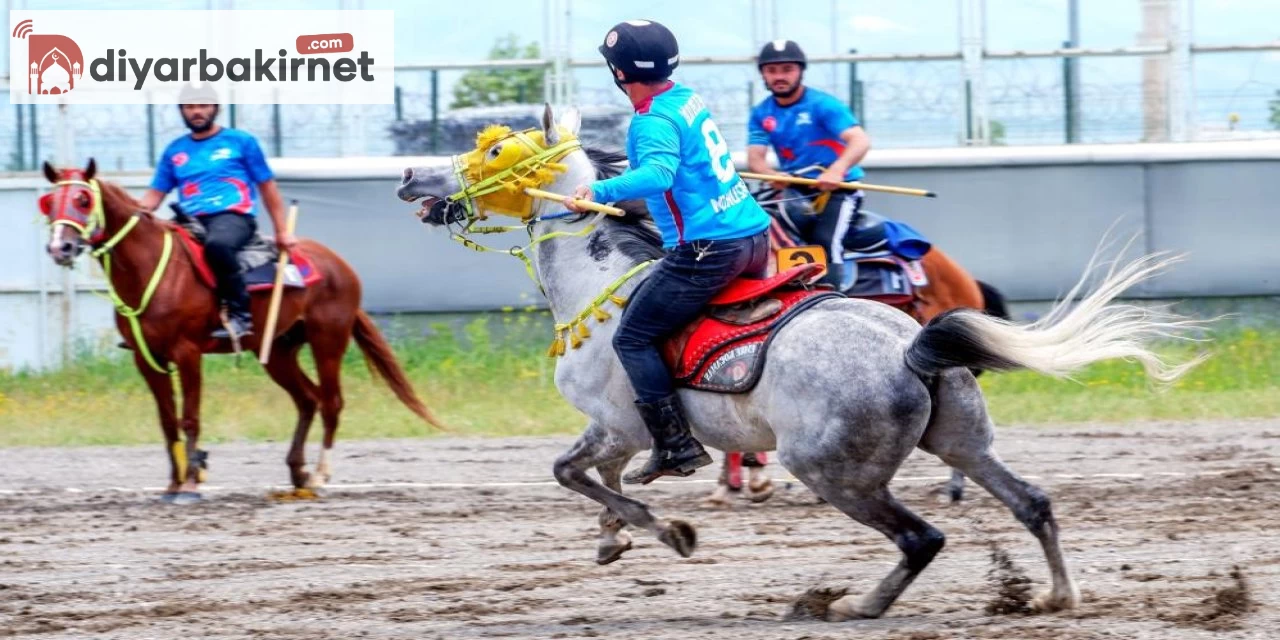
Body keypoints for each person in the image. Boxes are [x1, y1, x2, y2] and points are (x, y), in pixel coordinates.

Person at [564, 19, 772, 485]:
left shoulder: (651, 119)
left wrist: (598, 188)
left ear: (619, 73)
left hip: (709, 250)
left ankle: (676, 444)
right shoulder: (685, 98)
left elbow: (658, 174)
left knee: (632, 336)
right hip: (754, 237)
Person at [136, 82, 296, 339]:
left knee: (218, 246)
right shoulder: (174, 150)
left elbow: (267, 188)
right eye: (190, 107)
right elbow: (154, 195)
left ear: (216, 109)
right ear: (181, 111)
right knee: (150, 252)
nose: (196, 111)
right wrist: (134, 215)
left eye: (202, 105)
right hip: (188, 220)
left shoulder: (241, 141)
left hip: (233, 217)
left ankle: (240, 315)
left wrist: (282, 231)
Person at [746, 39, 872, 287]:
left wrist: (837, 170)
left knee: (826, 241)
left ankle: (836, 301)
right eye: (771, 70)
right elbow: (755, 160)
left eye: (787, 70)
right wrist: (774, 175)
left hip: (839, 190)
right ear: (763, 74)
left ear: (800, 71)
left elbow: (860, 140)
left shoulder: (823, 105)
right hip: (795, 190)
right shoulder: (761, 113)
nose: (779, 76)